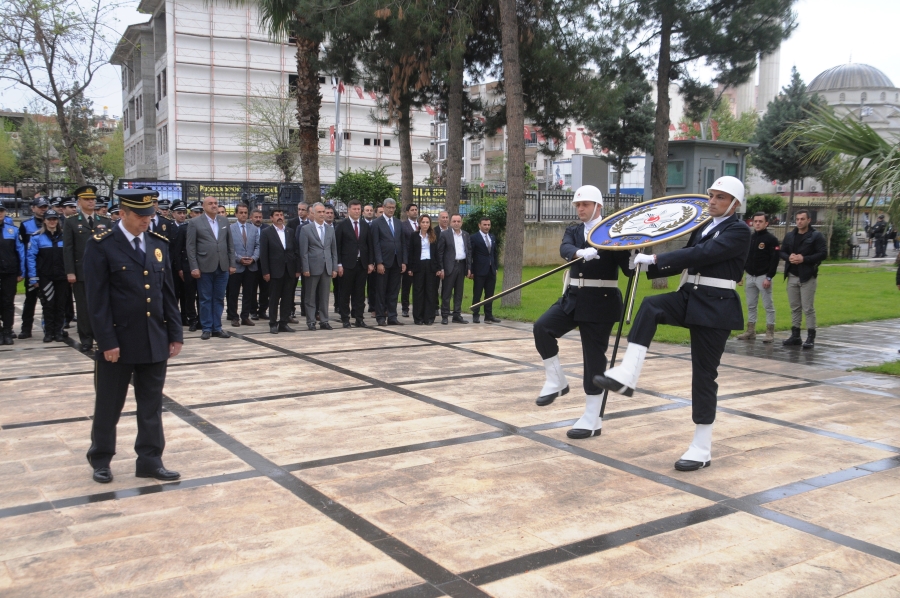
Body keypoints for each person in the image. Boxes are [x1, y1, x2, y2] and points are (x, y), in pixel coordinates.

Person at [593, 176, 750, 471]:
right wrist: (637, 258)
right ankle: (628, 372)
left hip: (716, 306)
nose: (713, 201)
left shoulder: (739, 231)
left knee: (704, 376)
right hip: (690, 295)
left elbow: (703, 254)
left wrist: (654, 260)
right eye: (712, 195)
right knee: (651, 305)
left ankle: (701, 448)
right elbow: (684, 260)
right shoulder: (704, 226)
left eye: (720, 197)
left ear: (735, 204)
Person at [83, 188, 183, 484]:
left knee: (151, 404)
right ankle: (101, 458)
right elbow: (96, 301)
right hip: (119, 342)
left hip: (154, 339)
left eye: (150, 215)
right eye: (140, 216)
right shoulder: (101, 245)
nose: (146, 221)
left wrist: (174, 333)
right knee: (108, 404)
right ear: (122, 213)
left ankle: (150, 459)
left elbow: (167, 293)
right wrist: (107, 341)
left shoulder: (157, 244)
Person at [532, 186, 632, 440]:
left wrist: (634, 253)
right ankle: (556, 381)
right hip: (573, 298)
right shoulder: (575, 230)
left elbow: (629, 270)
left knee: (594, 360)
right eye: (578, 205)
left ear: (598, 206)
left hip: (602, 301)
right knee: (542, 327)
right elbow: (565, 248)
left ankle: (592, 418)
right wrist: (578, 252)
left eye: (585, 204)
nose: (580, 209)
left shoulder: (612, 232)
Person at [63, 185, 112, 353]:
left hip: (101, 271)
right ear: (79, 202)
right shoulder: (71, 222)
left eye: (93, 199)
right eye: (87, 199)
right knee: (83, 307)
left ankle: (101, 335)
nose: (91, 202)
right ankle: (86, 338)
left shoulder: (104, 221)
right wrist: (70, 271)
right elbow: (68, 248)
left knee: (102, 305)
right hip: (81, 271)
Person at [186, 196, 234, 340]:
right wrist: (194, 267)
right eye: (210, 203)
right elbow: (191, 247)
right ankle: (206, 328)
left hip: (222, 266)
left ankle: (217, 327)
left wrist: (232, 264)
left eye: (215, 203)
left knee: (219, 298)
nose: (214, 206)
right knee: (205, 298)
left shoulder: (224, 221)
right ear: (203, 206)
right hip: (204, 266)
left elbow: (230, 244)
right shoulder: (195, 222)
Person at [779, 208, 827, 349]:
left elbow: (823, 254)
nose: (799, 222)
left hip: (807, 276)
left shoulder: (816, 236)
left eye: (802, 219)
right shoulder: (790, 236)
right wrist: (789, 257)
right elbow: (781, 251)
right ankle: (795, 335)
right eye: (797, 219)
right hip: (792, 275)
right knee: (795, 307)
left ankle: (811, 336)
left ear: (808, 220)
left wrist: (803, 259)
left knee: (808, 307)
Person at [736, 212, 779, 343]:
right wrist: (740, 274)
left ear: (766, 223)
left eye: (761, 221)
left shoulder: (771, 239)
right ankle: (751, 330)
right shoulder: (751, 238)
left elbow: (775, 259)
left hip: (763, 276)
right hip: (750, 276)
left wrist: (769, 277)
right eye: (756, 221)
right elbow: (745, 257)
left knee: (768, 305)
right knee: (751, 305)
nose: (758, 223)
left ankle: (770, 332)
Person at [27, 209, 67, 342]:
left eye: (54, 219)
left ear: (58, 220)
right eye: (49, 219)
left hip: (62, 276)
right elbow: (31, 257)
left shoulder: (65, 236)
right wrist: (33, 277)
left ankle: (59, 331)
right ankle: (49, 332)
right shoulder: (37, 237)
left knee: (61, 305)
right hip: (46, 277)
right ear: (44, 221)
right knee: (48, 305)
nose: (52, 221)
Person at [259, 208, 300, 334]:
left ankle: (283, 323)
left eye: (281, 215)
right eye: (276, 215)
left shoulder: (290, 231)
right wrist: (266, 272)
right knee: (274, 298)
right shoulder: (266, 232)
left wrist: (297, 269)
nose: (279, 217)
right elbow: (263, 254)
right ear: (271, 218)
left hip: (289, 270)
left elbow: (295, 251)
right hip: (275, 270)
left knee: (287, 298)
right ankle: (273, 323)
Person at [298, 202, 338, 331]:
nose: (322, 214)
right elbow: (303, 251)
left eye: (324, 212)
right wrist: (305, 268)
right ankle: (311, 321)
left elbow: (333, 251)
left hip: (327, 267)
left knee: (325, 296)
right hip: (312, 267)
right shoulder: (306, 229)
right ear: (313, 214)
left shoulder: (330, 229)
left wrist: (334, 268)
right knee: (310, 296)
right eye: (319, 212)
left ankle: (324, 320)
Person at [335, 199, 373, 328]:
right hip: (347, 265)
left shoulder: (365, 225)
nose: (357, 211)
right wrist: (339, 264)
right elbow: (338, 246)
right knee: (345, 292)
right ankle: (345, 318)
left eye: (358, 209)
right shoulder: (342, 225)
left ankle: (359, 318)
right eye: (354, 209)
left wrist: (370, 263)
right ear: (349, 210)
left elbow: (369, 245)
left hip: (361, 264)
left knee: (360, 293)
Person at [370, 198, 407, 326]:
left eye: (393, 207)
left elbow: (402, 243)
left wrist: (403, 261)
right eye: (389, 207)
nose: (391, 210)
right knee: (381, 290)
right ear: (384, 208)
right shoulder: (376, 223)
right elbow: (375, 244)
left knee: (394, 291)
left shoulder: (398, 223)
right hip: (384, 262)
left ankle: (392, 316)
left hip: (396, 262)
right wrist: (378, 262)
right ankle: (380, 317)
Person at [17, 196, 49, 339]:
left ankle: (51, 328)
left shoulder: (54, 222)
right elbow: (22, 248)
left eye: (45, 207)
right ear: (33, 208)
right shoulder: (26, 225)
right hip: (32, 268)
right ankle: (26, 328)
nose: (43, 209)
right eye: (40, 207)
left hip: (48, 268)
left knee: (49, 301)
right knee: (30, 300)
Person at [227, 204, 260, 327]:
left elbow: (258, 246)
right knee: (233, 293)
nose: (243, 215)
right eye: (241, 213)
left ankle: (245, 316)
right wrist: (239, 258)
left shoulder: (254, 229)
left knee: (249, 293)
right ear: (236, 214)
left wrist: (253, 258)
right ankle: (234, 317)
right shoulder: (230, 229)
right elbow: (229, 247)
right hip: (236, 266)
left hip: (251, 266)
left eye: (245, 213)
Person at [436, 214, 471, 325]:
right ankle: (445, 315)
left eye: (458, 221)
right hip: (449, 267)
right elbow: (440, 252)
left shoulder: (465, 235)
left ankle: (457, 314)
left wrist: (469, 267)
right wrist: (441, 268)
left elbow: (469, 252)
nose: (456, 223)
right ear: (451, 222)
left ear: (462, 222)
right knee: (446, 292)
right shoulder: (444, 234)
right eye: (454, 221)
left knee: (459, 292)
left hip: (461, 265)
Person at [0, 204, 25, 345]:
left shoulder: (12, 230)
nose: (0, 213)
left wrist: (22, 271)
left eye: (2, 211)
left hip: (9, 271)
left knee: (8, 302)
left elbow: (20, 251)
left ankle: (8, 330)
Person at [407, 214, 439, 325]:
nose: (425, 224)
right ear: (419, 224)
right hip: (418, 266)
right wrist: (410, 267)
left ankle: (429, 317)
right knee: (418, 292)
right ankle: (418, 317)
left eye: (427, 222)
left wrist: (438, 268)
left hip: (430, 266)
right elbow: (411, 252)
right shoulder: (414, 236)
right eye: (423, 222)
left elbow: (437, 253)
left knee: (430, 292)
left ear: (430, 224)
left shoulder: (433, 236)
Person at [470, 216, 501, 324]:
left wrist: (495, 267)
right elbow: (471, 255)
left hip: (491, 270)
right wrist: (471, 270)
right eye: (485, 225)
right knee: (477, 294)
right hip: (479, 271)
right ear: (479, 225)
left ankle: (488, 315)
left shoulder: (492, 237)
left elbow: (494, 253)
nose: (487, 227)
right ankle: (475, 315)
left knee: (490, 294)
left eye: (488, 225)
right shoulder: (474, 238)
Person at [400, 203, 419, 317]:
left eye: (416, 209)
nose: (415, 212)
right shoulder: (403, 225)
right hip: (408, 260)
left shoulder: (422, 224)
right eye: (412, 210)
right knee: (406, 286)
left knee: (418, 286)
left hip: (420, 260)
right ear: (407, 212)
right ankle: (405, 308)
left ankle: (417, 307)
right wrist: (404, 261)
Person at [249, 208, 269, 320]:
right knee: (252, 288)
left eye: (260, 217)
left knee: (265, 288)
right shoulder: (248, 228)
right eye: (256, 217)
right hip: (252, 263)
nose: (258, 219)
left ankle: (263, 310)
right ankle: (253, 311)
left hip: (264, 263)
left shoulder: (267, 228)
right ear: (251, 218)